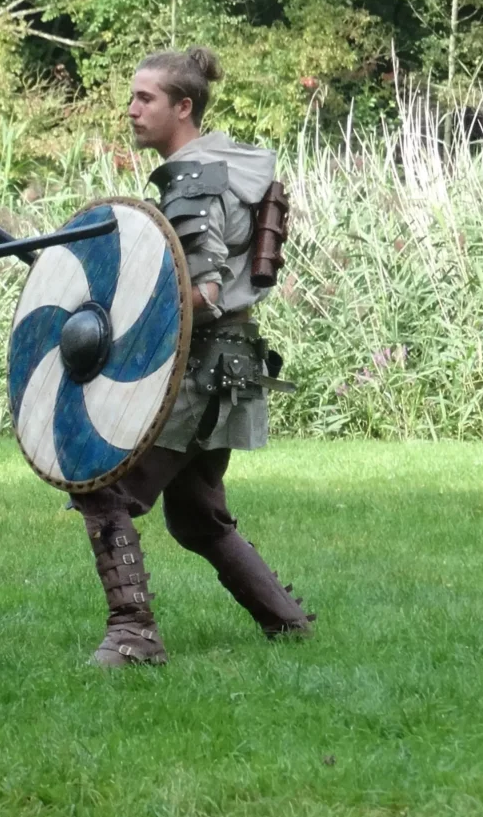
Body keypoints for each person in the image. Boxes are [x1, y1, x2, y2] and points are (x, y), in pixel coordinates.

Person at [74, 47, 312, 666]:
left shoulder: (193, 177)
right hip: (228, 361)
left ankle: (133, 633)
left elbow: (202, 291)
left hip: (198, 366)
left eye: (144, 98)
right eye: (131, 96)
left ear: (184, 107)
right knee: (198, 516)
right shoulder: (231, 167)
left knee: (104, 490)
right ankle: (286, 623)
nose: (131, 110)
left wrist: (120, 322)